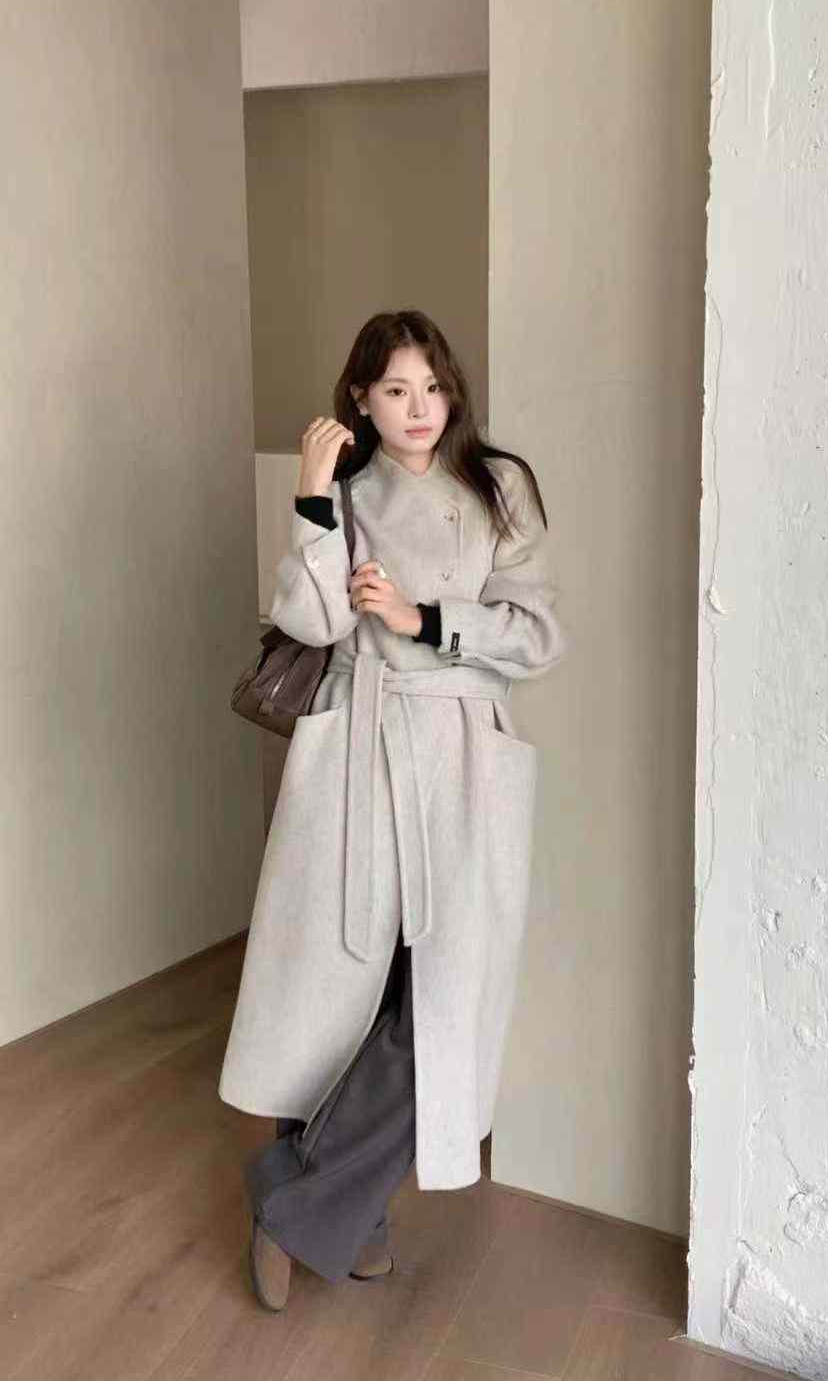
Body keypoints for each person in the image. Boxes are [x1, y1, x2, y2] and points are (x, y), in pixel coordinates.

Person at [218, 308, 567, 1311]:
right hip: (358, 748)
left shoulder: (499, 486)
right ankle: (354, 1210)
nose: (420, 408)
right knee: (335, 988)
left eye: (434, 387)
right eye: (397, 390)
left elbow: (538, 635)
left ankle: (297, 1197)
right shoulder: (346, 491)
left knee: (442, 998)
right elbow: (312, 618)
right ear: (361, 401)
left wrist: (427, 619)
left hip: (461, 753)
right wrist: (310, 494)